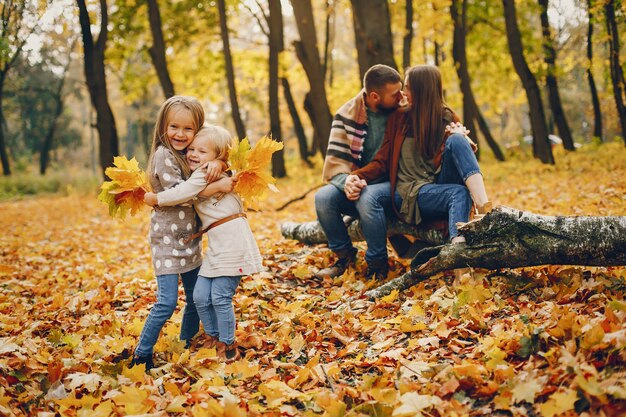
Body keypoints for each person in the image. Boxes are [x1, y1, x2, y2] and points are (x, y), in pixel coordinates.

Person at [144, 125, 264, 362]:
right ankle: (212, 336)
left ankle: (227, 345)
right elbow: (196, 190)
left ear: (218, 156)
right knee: (199, 296)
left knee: (219, 296)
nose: (193, 154)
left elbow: (185, 192)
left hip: (233, 243)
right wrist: (219, 168)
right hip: (218, 247)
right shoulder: (204, 173)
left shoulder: (204, 173)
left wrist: (156, 199)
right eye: (191, 149)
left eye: (202, 151)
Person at [351, 65, 491, 257]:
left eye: (407, 87)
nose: (403, 92)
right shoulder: (398, 118)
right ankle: (460, 262)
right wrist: (353, 176)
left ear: (421, 90)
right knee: (458, 193)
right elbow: (382, 161)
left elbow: (460, 159)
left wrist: (462, 138)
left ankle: (485, 209)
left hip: (436, 187)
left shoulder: (446, 117)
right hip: (408, 191)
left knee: (458, 139)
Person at [130, 96, 224, 371]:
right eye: (174, 127)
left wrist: (218, 164)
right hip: (167, 242)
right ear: (163, 126)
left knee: (196, 298)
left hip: (189, 241)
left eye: (188, 129)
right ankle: (142, 353)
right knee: (167, 301)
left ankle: (185, 343)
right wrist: (220, 185)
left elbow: (211, 162)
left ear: (198, 130)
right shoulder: (163, 155)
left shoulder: (191, 155)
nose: (180, 135)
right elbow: (179, 195)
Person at [315, 64, 405, 281]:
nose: (402, 96)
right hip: (359, 183)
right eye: (395, 93)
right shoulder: (346, 115)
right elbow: (335, 166)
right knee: (323, 198)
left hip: (395, 183)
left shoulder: (403, 111)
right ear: (374, 96)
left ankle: (377, 265)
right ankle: (344, 258)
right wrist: (347, 182)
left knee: (368, 197)